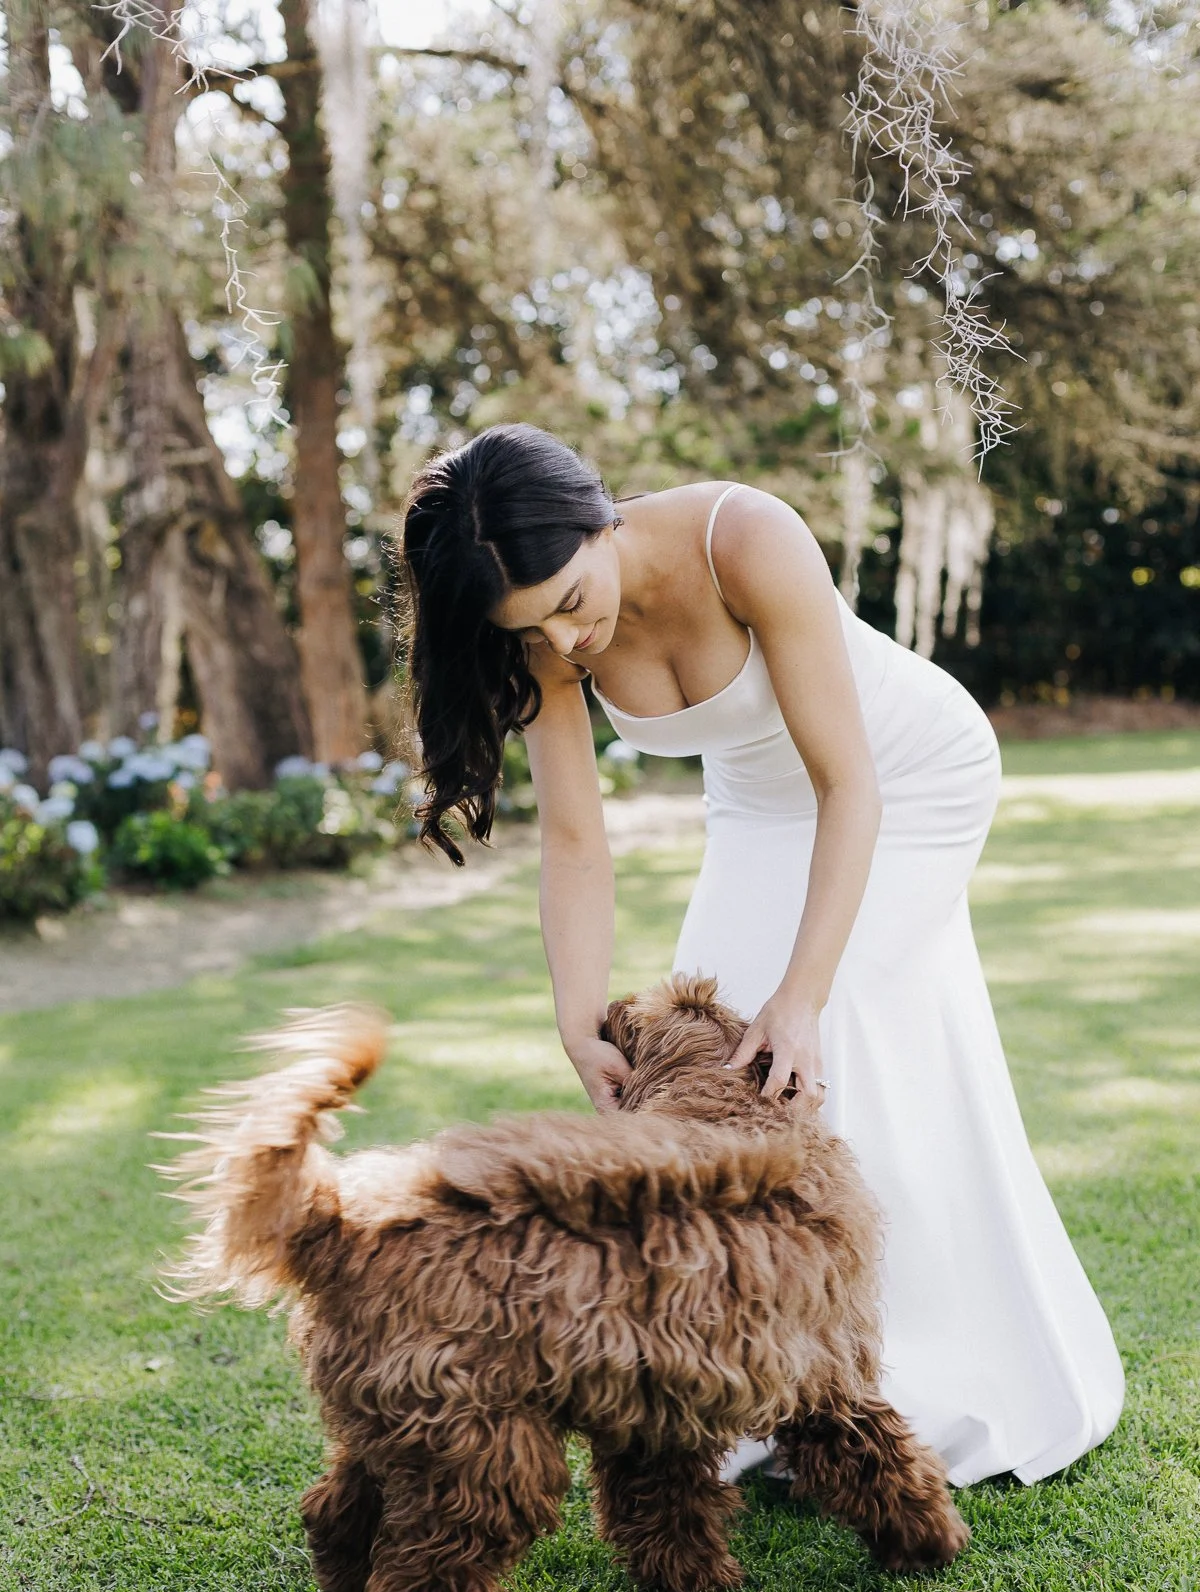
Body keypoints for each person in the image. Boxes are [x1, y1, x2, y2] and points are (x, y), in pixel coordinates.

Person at [398, 421, 1124, 1487]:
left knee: (833, 1038)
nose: (564, 642)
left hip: (902, 781)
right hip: (754, 807)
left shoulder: (745, 536)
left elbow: (850, 784)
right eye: (530, 630)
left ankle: (905, 1385)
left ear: (599, 519)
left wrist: (805, 990)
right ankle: (757, 1371)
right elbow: (574, 840)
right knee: (715, 1069)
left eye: (568, 604)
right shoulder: (543, 635)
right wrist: (575, 1016)